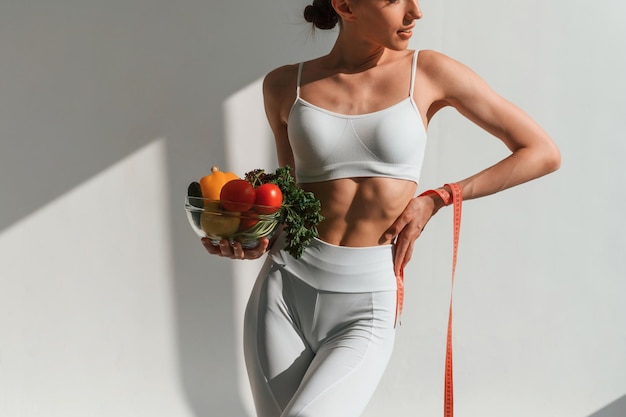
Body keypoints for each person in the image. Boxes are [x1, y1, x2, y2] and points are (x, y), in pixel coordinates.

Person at [202, 0, 561, 415]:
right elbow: (290, 197)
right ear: (345, 6)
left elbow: (541, 151)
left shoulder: (427, 72)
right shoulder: (285, 85)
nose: (415, 12)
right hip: (283, 291)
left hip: (366, 303)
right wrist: (248, 235)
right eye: (395, 0)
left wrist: (438, 198)